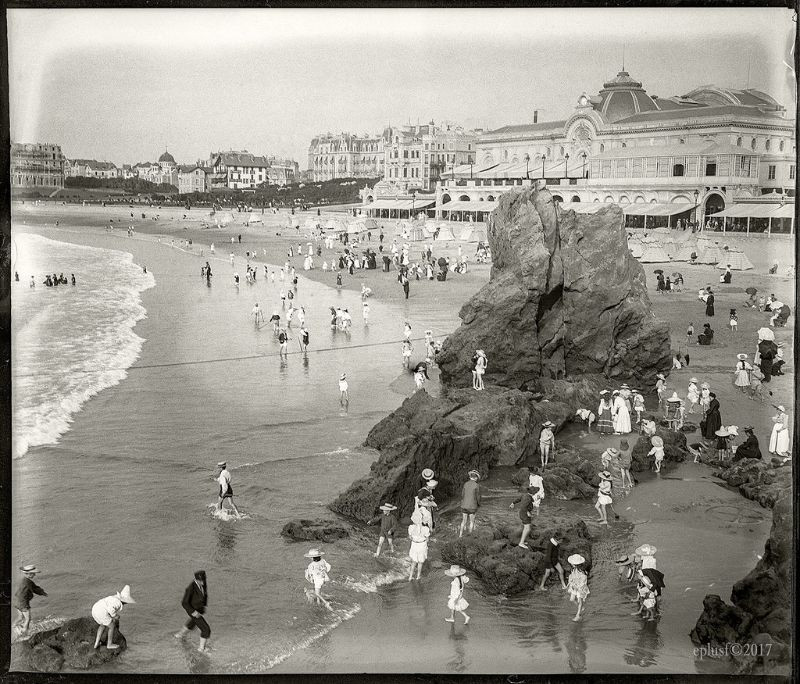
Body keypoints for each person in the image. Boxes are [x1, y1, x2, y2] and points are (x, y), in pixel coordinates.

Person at [174, 571, 210, 652]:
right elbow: (184, 603)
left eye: (204, 580)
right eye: (201, 581)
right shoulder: (190, 588)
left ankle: (179, 635)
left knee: (192, 623)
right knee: (206, 629)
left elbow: (204, 593)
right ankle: (201, 649)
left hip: (199, 609)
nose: (203, 582)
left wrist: (203, 605)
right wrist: (194, 612)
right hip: (193, 610)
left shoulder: (203, 582)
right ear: (196, 579)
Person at [92, 585, 135, 649]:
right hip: (101, 612)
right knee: (111, 626)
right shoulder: (118, 602)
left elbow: (108, 606)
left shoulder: (114, 598)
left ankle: (96, 643)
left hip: (95, 609)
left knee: (102, 625)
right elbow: (111, 609)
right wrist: (115, 616)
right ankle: (109, 644)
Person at [13, 565, 47, 637]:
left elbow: (20, 592)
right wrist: (42, 593)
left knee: (20, 617)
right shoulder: (28, 582)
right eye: (33, 573)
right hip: (23, 603)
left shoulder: (22, 579)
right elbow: (35, 589)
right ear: (28, 574)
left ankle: (13, 627)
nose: (34, 575)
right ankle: (25, 634)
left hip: (16, 601)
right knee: (28, 619)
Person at [407, 511, 431, 581]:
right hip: (422, 545)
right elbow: (427, 539)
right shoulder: (425, 529)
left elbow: (410, 537)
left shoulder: (411, 527)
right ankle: (418, 576)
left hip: (414, 545)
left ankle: (410, 577)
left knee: (413, 561)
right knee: (420, 562)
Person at [566, 555, 589, 622]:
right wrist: (570, 583)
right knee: (572, 599)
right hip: (574, 586)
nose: (571, 564)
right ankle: (581, 607)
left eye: (573, 563)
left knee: (580, 600)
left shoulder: (582, 572)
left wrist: (578, 587)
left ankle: (578, 615)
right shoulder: (573, 569)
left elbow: (583, 582)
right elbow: (571, 576)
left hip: (580, 588)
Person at [458, 470, 481, 537]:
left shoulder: (465, 484)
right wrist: (479, 504)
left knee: (463, 521)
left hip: (464, 505)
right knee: (471, 521)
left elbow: (462, 495)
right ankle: (469, 536)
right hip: (472, 507)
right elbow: (478, 497)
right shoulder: (476, 485)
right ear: (476, 477)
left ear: (470, 477)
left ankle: (460, 535)